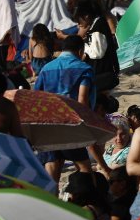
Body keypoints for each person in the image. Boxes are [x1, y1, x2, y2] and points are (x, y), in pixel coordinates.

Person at [35, 36, 97, 182]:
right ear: (81, 50)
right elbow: (82, 99)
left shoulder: (46, 68)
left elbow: (37, 97)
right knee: (84, 169)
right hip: (70, 125)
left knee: (52, 173)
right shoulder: (84, 69)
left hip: (49, 126)